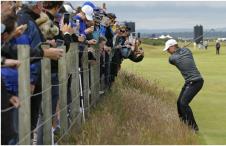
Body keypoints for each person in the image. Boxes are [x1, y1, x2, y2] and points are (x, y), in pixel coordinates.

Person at [163, 39, 204, 132]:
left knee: (183, 103)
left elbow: (176, 56)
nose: (168, 52)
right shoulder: (187, 51)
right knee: (179, 102)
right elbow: (182, 51)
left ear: (173, 47)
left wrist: (179, 50)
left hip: (195, 82)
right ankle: (183, 124)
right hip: (190, 82)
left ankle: (193, 128)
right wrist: (180, 49)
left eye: (168, 49)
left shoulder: (172, 58)